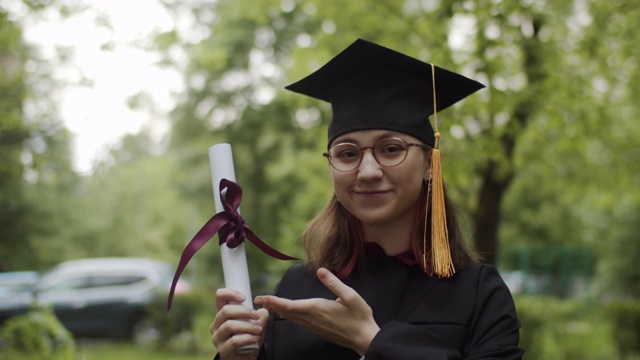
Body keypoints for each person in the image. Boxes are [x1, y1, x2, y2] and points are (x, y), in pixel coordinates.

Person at [210, 39, 524, 360]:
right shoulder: (296, 290)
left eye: (391, 148)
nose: (369, 171)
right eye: (348, 153)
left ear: (430, 164)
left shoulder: (478, 294)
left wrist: (370, 339)